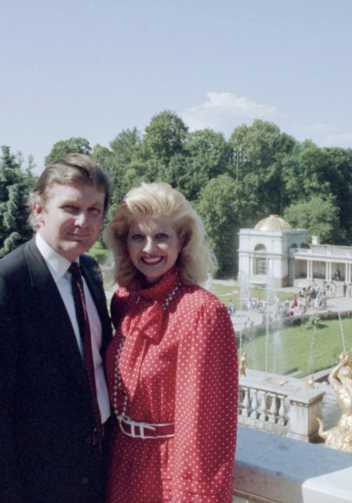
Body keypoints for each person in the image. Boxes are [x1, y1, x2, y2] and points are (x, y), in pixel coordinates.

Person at [0, 154, 113, 503]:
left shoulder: (88, 272)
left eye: (94, 210)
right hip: (30, 487)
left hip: (90, 479)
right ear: (39, 210)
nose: (83, 221)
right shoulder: (0, 285)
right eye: (70, 208)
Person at [102, 182, 238, 503]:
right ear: (125, 243)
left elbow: (205, 428)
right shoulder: (125, 300)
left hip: (165, 472)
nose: (149, 249)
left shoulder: (202, 312)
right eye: (138, 237)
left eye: (161, 236)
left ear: (183, 240)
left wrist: (191, 495)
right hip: (120, 462)